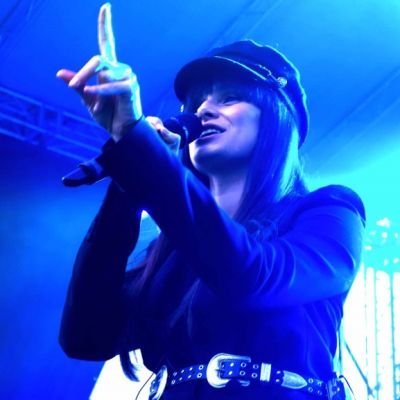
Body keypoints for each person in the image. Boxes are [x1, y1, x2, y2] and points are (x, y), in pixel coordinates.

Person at [57, 3, 365, 399]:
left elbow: (252, 277)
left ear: (277, 118)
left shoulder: (329, 212)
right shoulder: (172, 249)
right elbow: (85, 336)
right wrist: (129, 181)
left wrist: (141, 150)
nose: (203, 110)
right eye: (197, 102)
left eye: (230, 98)